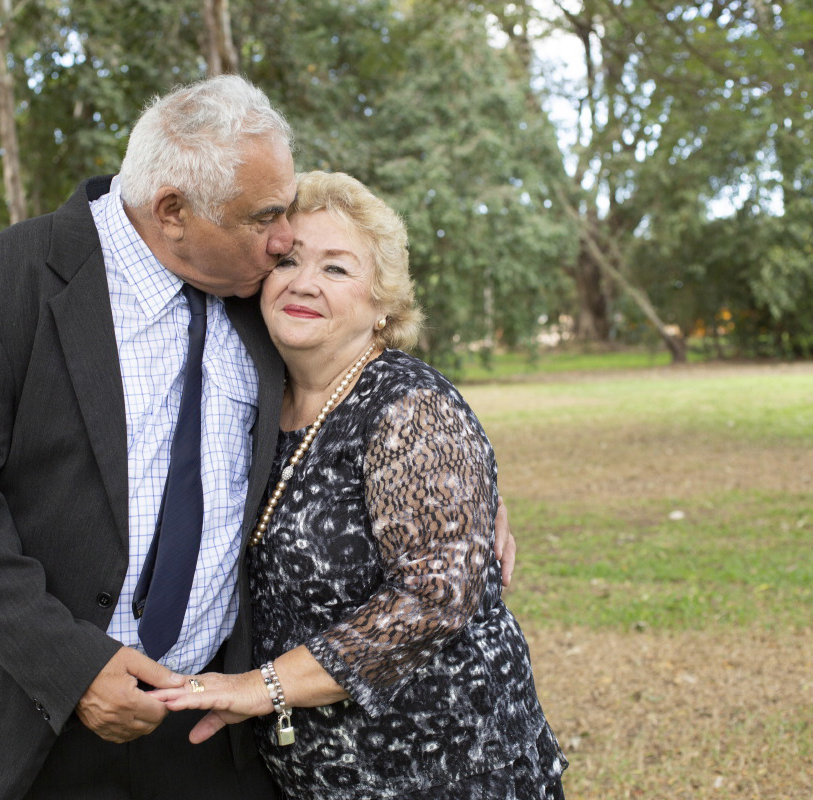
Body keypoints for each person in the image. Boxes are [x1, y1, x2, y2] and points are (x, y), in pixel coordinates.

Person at [0, 77, 516, 800]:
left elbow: (359, 367)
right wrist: (72, 668)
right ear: (172, 211)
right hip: (37, 724)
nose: (286, 244)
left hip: (212, 734)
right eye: (267, 220)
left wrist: (464, 498)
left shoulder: (251, 287)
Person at [153, 172, 567, 799]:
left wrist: (257, 686)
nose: (304, 282)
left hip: (445, 771)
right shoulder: (253, 399)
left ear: (384, 307)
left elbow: (434, 599)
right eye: (287, 259)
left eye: (337, 269)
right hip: (316, 777)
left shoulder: (409, 408)